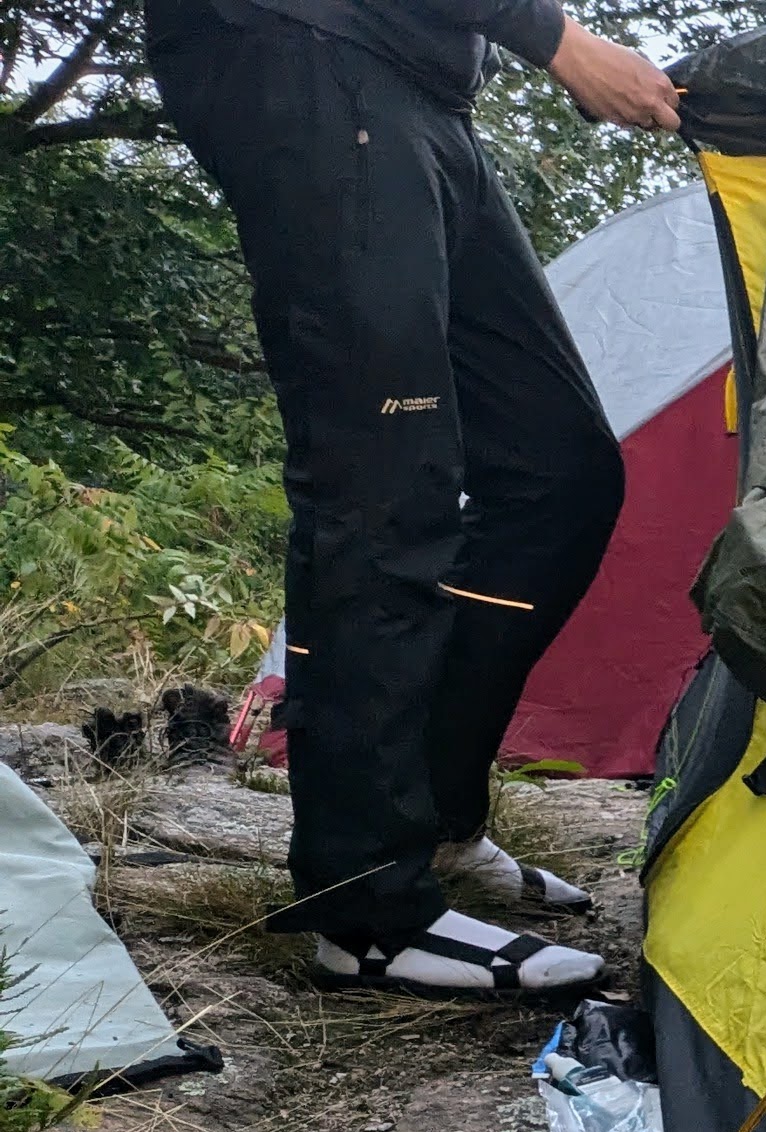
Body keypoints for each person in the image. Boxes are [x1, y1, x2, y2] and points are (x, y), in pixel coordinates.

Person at [147, 0, 673, 997]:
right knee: (382, 484)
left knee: (556, 470)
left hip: (421, 88)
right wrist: (558, 41)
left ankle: (427, 818)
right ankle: (367, 908)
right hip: (304, 52)